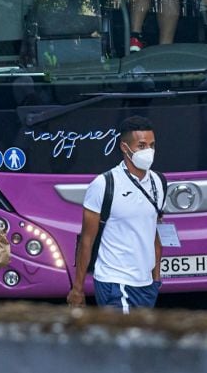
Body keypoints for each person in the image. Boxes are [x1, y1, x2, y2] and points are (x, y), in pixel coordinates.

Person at [67, 116, 166, 312]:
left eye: (152, 145)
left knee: (135, 340)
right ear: (124, 147)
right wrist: (77, 289)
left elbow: (152, 231)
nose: (148, 152)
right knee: (127, 340)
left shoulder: (159, 183)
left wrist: (155, 279)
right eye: (141, 146)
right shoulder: (104, 185)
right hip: (114, 282)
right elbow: (87, 240)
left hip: (146, 285)